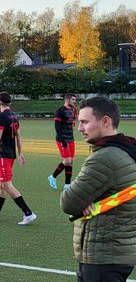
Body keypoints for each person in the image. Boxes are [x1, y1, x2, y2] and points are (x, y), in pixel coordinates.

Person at [61, 97, 136, 282]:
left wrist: (84, 202)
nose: (79, 128)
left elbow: (68, 202)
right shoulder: (127, 149)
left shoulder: (105, 158)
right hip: (119, 252)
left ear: (106, 121)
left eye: (85, 122)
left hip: (102, 254)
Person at [0, 92, 36, 226]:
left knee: (7, 185)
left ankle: (28, 213)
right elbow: (18, 136)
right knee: (1, 185)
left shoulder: (2, 116)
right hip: (10, 155)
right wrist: (20, 152)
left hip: (4, 155)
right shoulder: (14, 115)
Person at [48, 93, 78, 190]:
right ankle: (52, 177)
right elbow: (57, 127)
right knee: (67, 161)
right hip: (62, 139)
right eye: (73, 99)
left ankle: (67, 185)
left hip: (71, 138)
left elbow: (74, 121)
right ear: (67, 100)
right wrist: (62, 140)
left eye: (75, 100)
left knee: (70, 162)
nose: (74, 101)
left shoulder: (74, 110)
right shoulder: (60, 111)